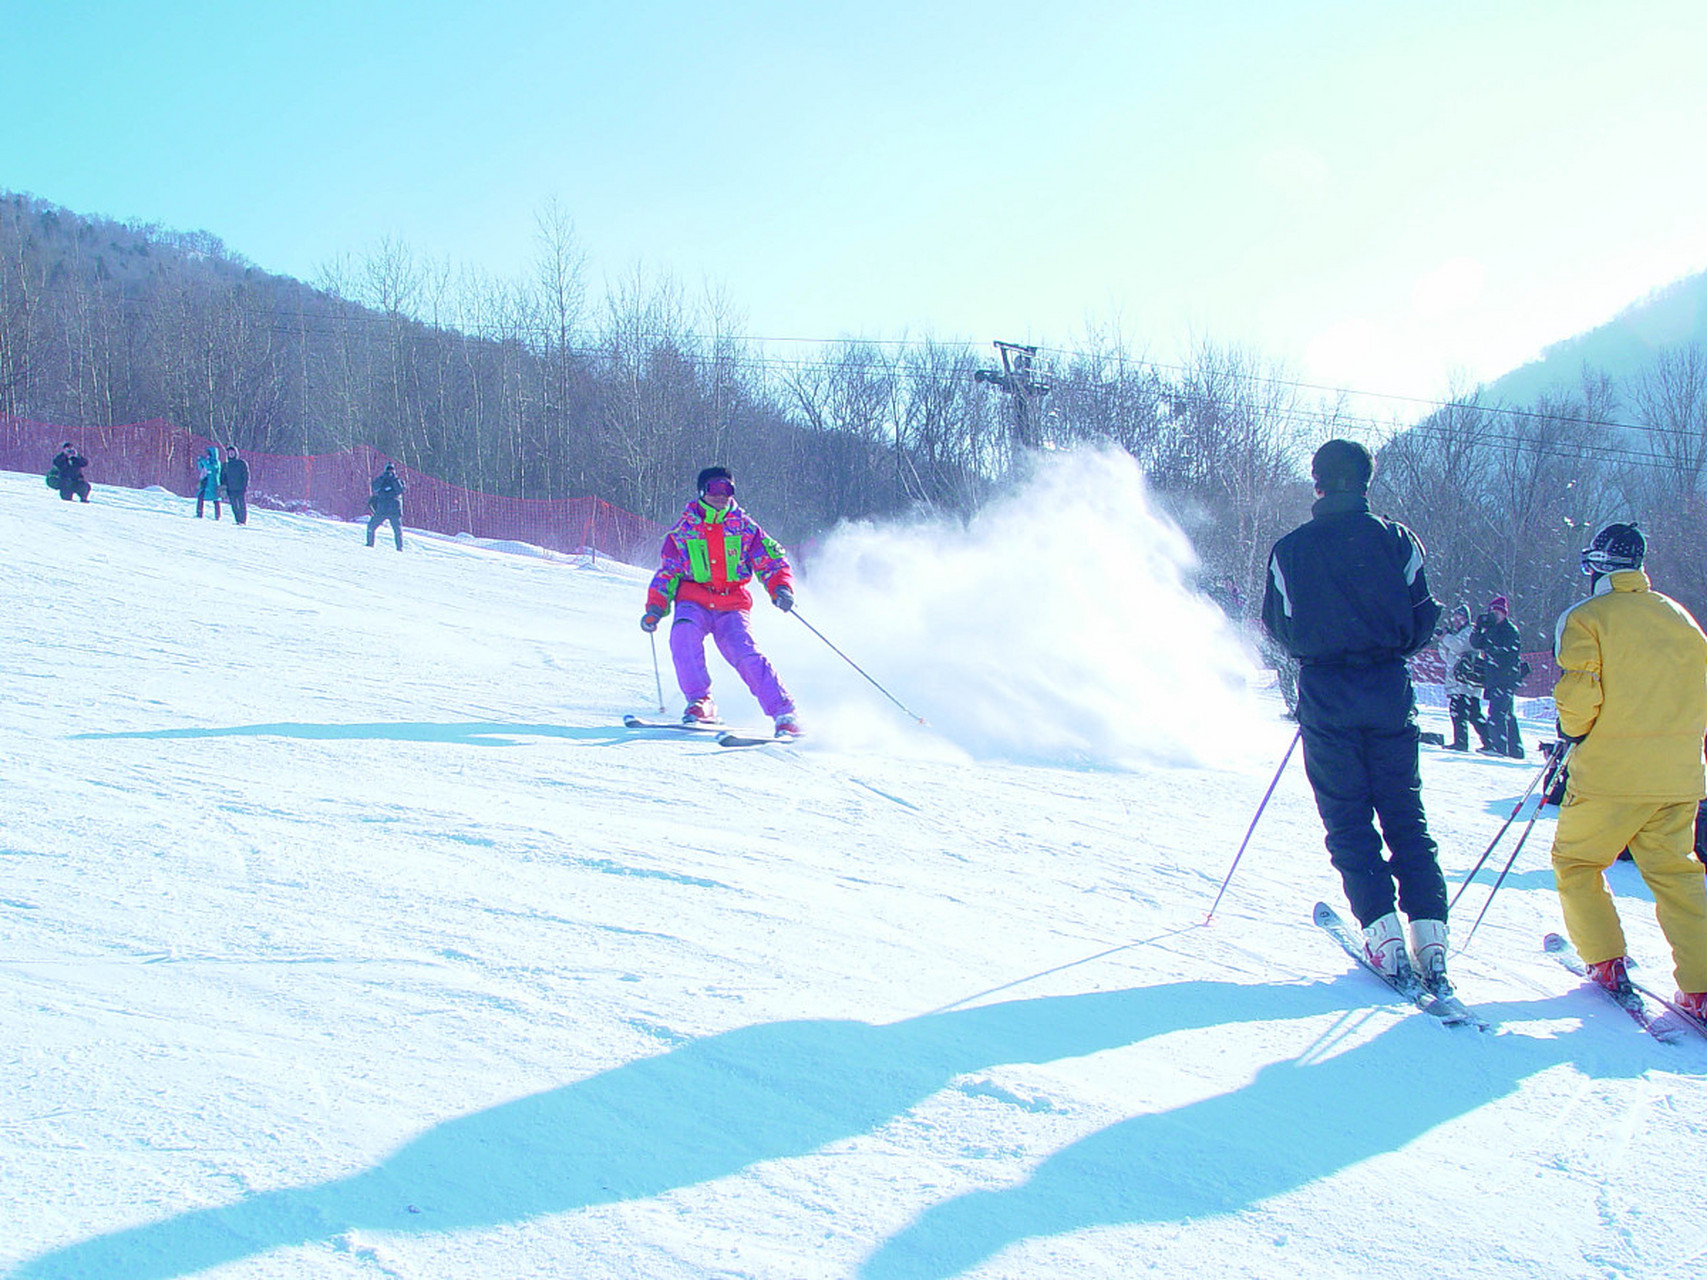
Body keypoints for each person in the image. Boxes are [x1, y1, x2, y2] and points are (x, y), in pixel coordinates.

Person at [1262, 439, 1452, 993]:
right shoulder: (1397, 539)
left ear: (1317, 481)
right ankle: (1431, 935)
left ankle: (1382, 932)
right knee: (1403, 811)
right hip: (1388, 684)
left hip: (1325, 687)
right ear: (1366, 482)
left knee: (1348, 817)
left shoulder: (1290, 549)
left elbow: (1280, 624)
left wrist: (1323, 645)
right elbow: (1423, 616)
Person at [1548, 522, 1707, 1019]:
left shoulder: (1588, 617)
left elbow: (1578, 698)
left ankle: (1606, 961)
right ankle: (1701, 985)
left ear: (1594, 565)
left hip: (1610, 776)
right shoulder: (1681, 618)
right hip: (1679, 776)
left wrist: (1572, 733)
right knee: (1678, 877)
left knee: (1577, 864)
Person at [641, 466, 800, 737]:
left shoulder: (745, 528)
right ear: (703, 492)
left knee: (745, 652)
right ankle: (700, 702)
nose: (721, 496)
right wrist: (655, 607)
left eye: (728, 489)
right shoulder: (683, 530)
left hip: (732, 603)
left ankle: (784, 713)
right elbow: (668, 571)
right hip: (694, 599)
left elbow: (772, 561)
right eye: (715, 489)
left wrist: (781, 588)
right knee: (683, 635)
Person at [1471, 596, 1524, 758]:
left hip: (1505, 677)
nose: (1494, 615)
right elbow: (1476, 643)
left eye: (1497, 612)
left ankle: (1498, 747)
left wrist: (1490, 636)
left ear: (1504, 614)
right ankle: (1515, 750)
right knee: (1507, 713)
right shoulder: (1490, 629)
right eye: (1492, 612)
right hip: (1495, 677)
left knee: (1497, 713)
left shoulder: (1509, 630)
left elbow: (1502, 649)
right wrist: (1478, 628)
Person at [1437, 604, 1491, 752]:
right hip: (1459, 682)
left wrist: (1445, 637)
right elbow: (1447, 657)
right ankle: (1488, 740)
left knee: (1459, 712)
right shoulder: (1455, 634)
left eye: (1459, 617)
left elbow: (1458, 645)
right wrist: (1443, 641)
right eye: (1454, 617)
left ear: (1466, 618)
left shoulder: (1469, 631)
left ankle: (1461, 742)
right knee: (1473, 714)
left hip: (1466, 682)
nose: (1456, 620)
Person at [366, 463, 405, 550]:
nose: (389, 472)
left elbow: (400, 490)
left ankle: (399, 548)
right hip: (382, 509)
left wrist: (394, 479)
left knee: (398, 531)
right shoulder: (381, 480)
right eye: (388, 470)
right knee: (371, 527)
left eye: (391, 470)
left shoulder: (399, 481)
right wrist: (383, 478)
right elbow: (374, 487)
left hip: (394, 511)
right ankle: (369, 545)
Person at [222, 445, 250, 525]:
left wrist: (245, 485)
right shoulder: (226, 465)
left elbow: (246, 475)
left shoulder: (241, 463)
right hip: (230, 489)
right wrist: (223, 487)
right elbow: (223, 477)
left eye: (232, 452)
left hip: (240, 488)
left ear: (235, 453)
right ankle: (238, 520)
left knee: (241, 505)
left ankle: (243, 520)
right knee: (234, 506)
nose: (230, 454)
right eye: (229, 453)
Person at [194, 445, 222, 519]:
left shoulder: (216, 462)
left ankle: (217, 515)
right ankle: (199, 513)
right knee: (200, 496)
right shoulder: (207, 461)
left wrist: (203, 461)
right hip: (206, 482)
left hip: (214, 483)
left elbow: (210, 467)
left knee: (216, 499)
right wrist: (199, 462)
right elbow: (202, 468)